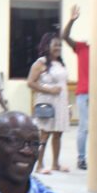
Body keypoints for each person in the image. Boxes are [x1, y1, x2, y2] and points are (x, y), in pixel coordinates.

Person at [27, 33, 69, 174]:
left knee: (58, 134)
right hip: (47, 103)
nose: (58, 48)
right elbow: (30, 83)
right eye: (55, 45)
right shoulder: (41, 63)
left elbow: (63, 85)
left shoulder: (60, 63)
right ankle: (39, 165)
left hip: (60, 103)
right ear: (47, 46)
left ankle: (55, 164)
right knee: (44, 134)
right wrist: (49, 90)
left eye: (60, 45)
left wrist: (68, 106)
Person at [61, 4, 90, 170]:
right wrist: (72, 20)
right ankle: (81, 158)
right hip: (84, 93)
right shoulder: (82, 48)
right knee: (84, 127)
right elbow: (65, 36)